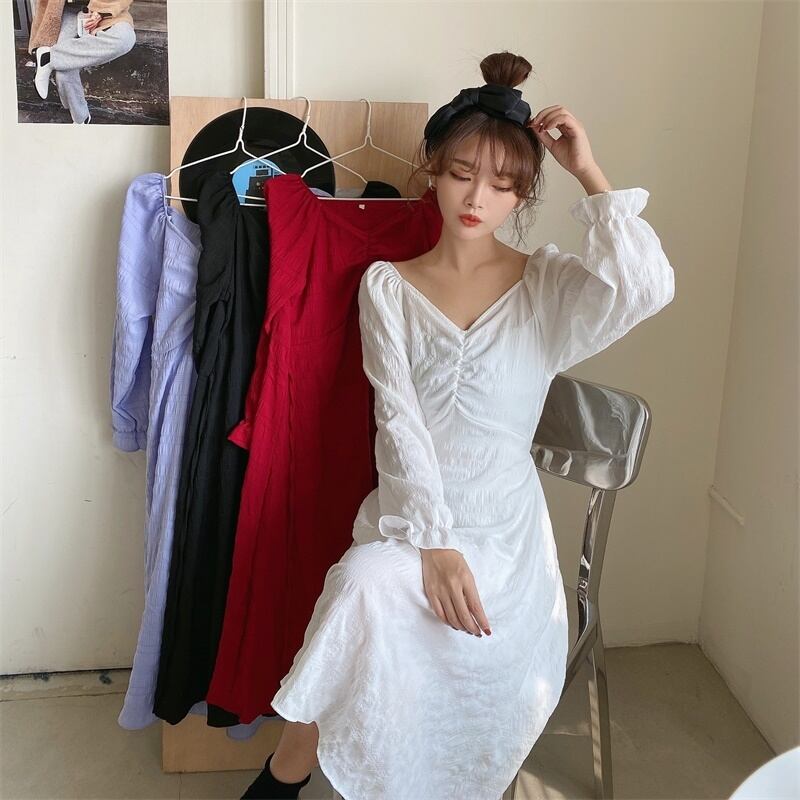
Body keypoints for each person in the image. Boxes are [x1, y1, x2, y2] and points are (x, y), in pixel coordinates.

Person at [241, 50, 675, 800]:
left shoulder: (546, 286)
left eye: (502, 184)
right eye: (462, 174)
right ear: (432, 171)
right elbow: (398, 420)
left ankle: (291, 781)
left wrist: (588, 171)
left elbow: (645, 287)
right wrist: (434, 544)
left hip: (507, 542)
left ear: (523, 194)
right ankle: (286, 775)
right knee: (363, 585)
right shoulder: (388, 286)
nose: (477, 198)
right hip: (414, 520)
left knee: (372, 608)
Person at [28, 0, 136, 124]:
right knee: (64, 70)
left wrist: (101, 11)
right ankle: (81, 119)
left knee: (125, 38)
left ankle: (48, 57)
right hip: (66, 11)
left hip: (107, 8)